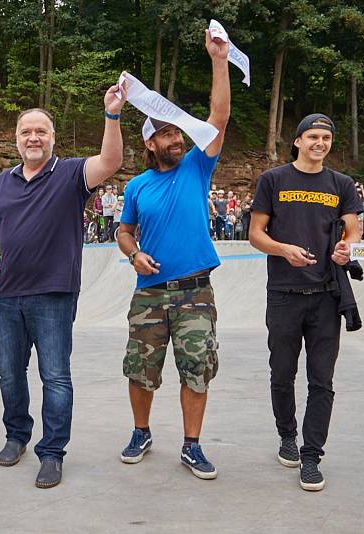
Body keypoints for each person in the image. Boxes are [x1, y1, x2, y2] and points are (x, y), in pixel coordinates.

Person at [0, 83, 127, 489]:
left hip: (55, 295)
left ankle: (53, 452)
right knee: (9, 374)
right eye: (26, 131)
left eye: (41, 131)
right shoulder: (2, 183)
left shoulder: (72, 173)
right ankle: (17, 435)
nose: (33, 138)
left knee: (55, 376)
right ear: (17, 139)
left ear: (53, 138)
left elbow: (111, 160)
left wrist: (111, 115)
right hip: (9, 296)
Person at [116, 28, 229, 480]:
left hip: (196, 292)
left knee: (196, 369)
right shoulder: (137, 186)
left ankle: (192, 445)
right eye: (165, 134)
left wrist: (218, 60)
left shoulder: (197, 168)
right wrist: (133, 254)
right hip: (149, 293)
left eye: (177, 132)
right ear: (150, 143)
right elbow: (124, 231)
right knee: (140, 370)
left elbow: (217, 118)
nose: (176, 139)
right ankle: (141, 432)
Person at [249, 113, 363, 492]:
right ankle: (287, 436)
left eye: (326, 138)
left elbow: (353, 226)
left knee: (322, 381)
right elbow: (255, 234)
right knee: (282, 374)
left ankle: (312, 455)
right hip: (283, 294)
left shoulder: (341, 184)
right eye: (313, 136)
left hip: (327, 297)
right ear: (297, 141)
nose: (320, 143)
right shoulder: (274, 180)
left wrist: (348, 247)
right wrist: (283, 250)